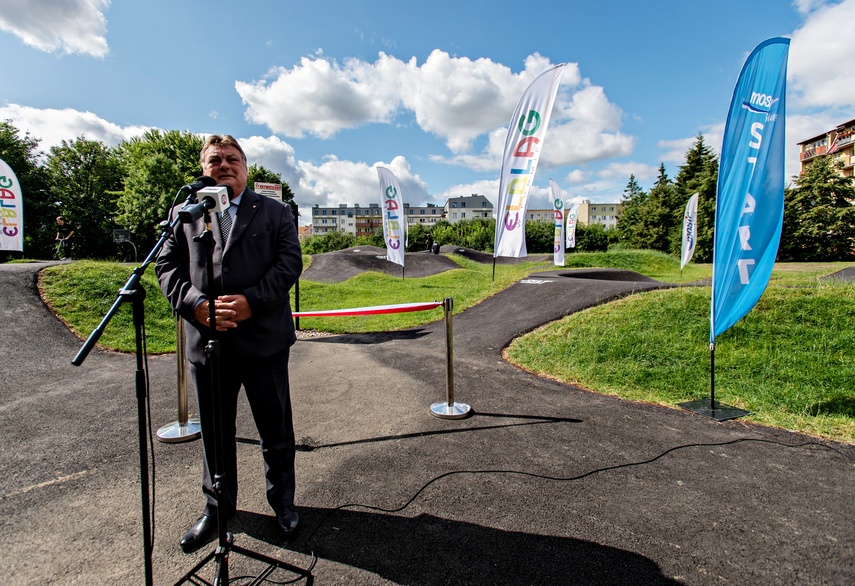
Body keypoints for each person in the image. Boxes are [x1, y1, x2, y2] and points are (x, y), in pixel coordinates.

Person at [155, 135, 303, 553]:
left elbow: (290, 263)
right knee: (215, 436)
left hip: (264, 345)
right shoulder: (185, 213)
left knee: (275, 432)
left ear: (246, 166)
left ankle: (283, 503)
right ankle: (217, 507)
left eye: (233, 159)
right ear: (204, 167)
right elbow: (166, 267)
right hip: (208, 346)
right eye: (215, 160)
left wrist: (251, 303)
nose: (225, 165)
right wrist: (196, 305)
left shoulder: (274, 211)